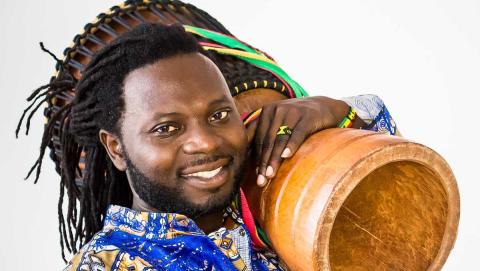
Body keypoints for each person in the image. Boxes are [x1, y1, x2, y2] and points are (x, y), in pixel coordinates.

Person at [16, 4, 399, 271]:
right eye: (167, 128)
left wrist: (336, 110)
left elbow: (397, 197)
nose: (205, 142)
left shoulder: (264, 222)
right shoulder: (108, 264)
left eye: (218, 115)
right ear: (116, 148)